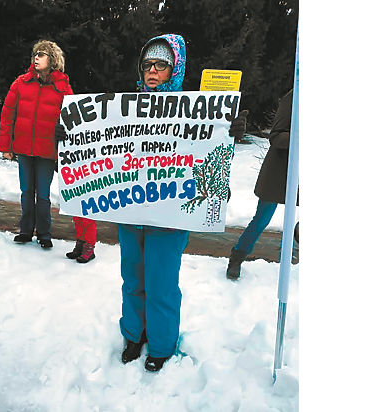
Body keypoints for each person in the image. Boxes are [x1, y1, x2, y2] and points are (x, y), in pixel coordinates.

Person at [118, 34, 247, 372]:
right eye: (147, 64)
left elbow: (210, 168)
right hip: (130, 214)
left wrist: (225, 135)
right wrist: (69, 138)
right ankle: (134, 334)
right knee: (133, 278)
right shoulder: (121, 110)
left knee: (160, 283)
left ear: (174, 69)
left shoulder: (195, 115)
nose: (152, 70)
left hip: (169, 220)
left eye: (161, 64)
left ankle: (160, 345)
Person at [0, 40, 73, 249]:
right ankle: (25, 230)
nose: (36, 58)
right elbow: (7, 115)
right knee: (26, 191)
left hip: (47, 151)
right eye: (35, 54)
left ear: (53, 59)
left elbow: (73, 119)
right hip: (23, 149)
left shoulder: (63, 88)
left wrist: (64, 131)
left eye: (41, 54)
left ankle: (44, 233)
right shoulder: (21, 83)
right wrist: (6, 146)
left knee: (42, 194)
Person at [226, 89, 296, 280]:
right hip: (280, 170)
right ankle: (237, 257)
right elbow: (276, 136)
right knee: (262, 219)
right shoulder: (294, 96)